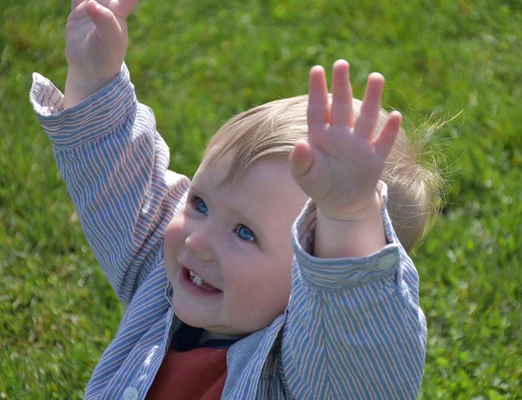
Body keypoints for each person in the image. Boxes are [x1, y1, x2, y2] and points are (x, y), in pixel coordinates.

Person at [29, 0, 442, 398]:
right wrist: (92, 75)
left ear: (311, 283)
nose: (196, 241)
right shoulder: (165, 277)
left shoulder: (312, 378)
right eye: (201, 204)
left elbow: (354, 334)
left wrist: (349, 218)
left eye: (244, 233)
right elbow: (119, 182)